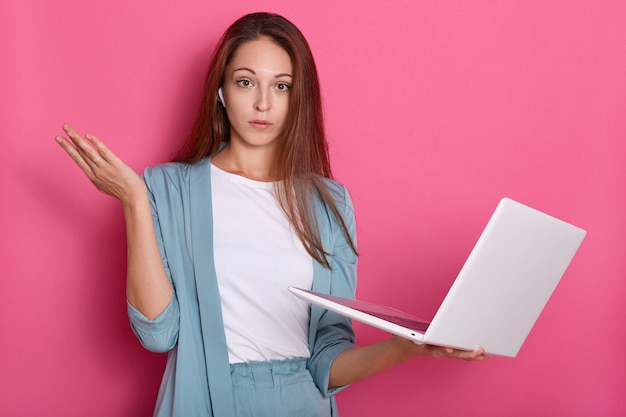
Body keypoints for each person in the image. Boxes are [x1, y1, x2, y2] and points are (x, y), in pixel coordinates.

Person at [55, 12, 485, 417]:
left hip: (302, 400)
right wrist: (134, 201)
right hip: (204, 397)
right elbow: (158, 334)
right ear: (221, 92)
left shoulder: (328, 202)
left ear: (299, 98)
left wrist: (412, 346)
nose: (263, 103)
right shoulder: (169, 188)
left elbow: (328, 361)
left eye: (281, 86)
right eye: (246, 82)